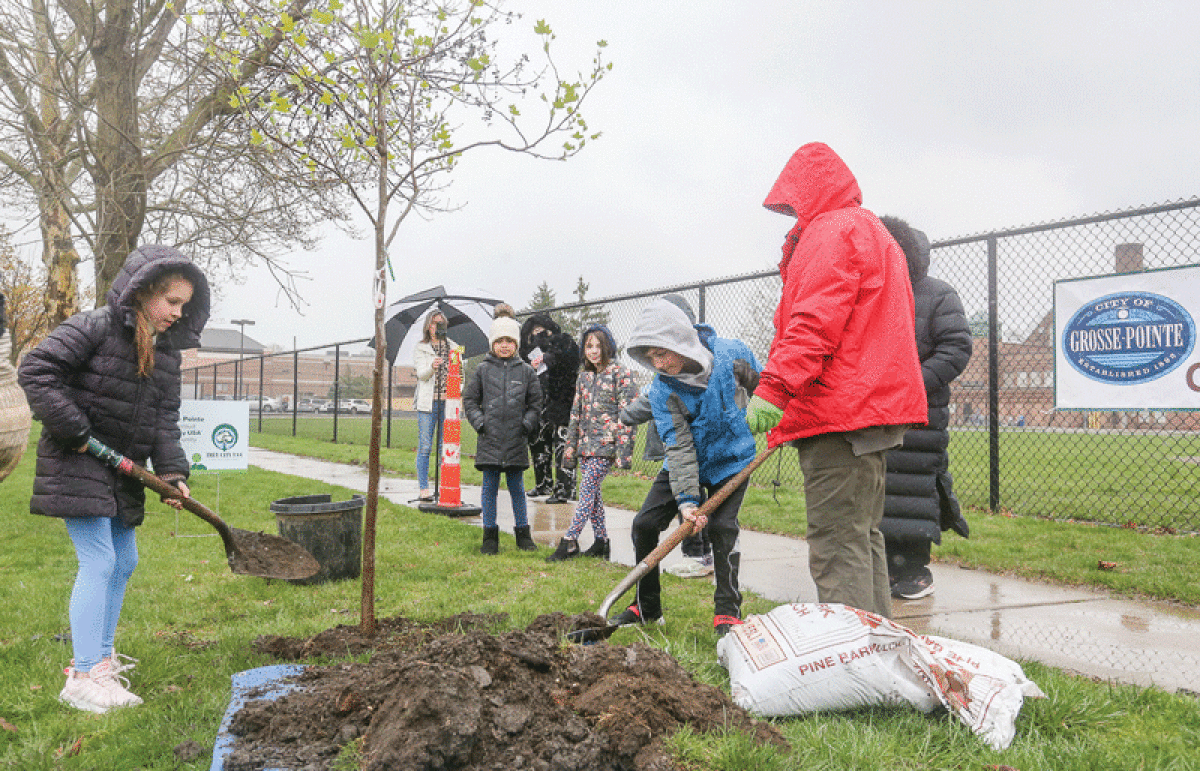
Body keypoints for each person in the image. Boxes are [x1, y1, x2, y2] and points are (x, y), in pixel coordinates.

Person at [18, 245, 209, 713]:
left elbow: (164, 416)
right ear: (142, 292)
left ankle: (102, 662)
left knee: (125, 561)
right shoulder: (94, 327)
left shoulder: (166, 355)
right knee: (100, 561)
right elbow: (36, 371)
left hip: (124, 468)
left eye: (184, 305)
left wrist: (172, 471)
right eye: (171, 301)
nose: (176, 312)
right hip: (78, 457)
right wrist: (75, 430)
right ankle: (82, 676)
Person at [754, 142, 927, 620]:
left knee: (836, 541)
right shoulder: (871, 232)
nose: (791, 214)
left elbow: (812, 324)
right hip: (868, 411)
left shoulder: (832, 234)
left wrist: (773, 390)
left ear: (806, 190)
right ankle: (877, 647)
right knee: (862, 535)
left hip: (839, 415)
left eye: (793, 203)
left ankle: (851, 657)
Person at [613, 298, 761, 637]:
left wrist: (775, 410)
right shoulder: (665, 388)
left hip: (731, 460)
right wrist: (686, 500)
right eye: (651, 358)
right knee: (644, 524)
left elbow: (765, 389)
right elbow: (678, 445)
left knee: (724, 530)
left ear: (679, 338)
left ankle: (727, 613)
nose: (660, 363)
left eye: (662, 352)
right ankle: (646, 607)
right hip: (683, 461)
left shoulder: (731, 355)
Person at [878, 216, 973, 600]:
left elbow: (957, 348)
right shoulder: (873, 292)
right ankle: (884, 566)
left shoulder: (938, 294)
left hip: (920, 412)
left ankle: (915, 569)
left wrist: (912, 382)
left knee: (915, 489)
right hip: (875, 409)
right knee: (881, 490)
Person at [546, 324, 638, 562]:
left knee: (586, 490)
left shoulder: (621, 373)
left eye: (599, 346)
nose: (594, 351)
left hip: (606, 446)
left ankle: (569, 540)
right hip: (586, 445)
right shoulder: (584, 376)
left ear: (608, 347)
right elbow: (575, 413)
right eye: (589, 346)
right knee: (593, 495)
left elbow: (629, 415)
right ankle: (601, 542)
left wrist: (623, 453)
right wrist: (570, 446)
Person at [463, 315, 542, 555]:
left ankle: (523, 534)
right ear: (492, 344)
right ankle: (489, 535)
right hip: (490, 441)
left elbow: (536, 403)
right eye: (500, 341)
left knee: (517, 488)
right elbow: (470, 400)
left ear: (516, 344)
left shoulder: (527, 372)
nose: (504, 345)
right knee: (489, 488)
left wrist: (526, 425)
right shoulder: (482, 370)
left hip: (517, 441)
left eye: (509, 340)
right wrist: (480, 423)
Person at [518, 313, 579, 503]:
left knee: (563, 445)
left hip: (561, 401)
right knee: (538, 445)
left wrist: (548, 357)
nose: (538, 335)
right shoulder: (526, 354)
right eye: (534, 332)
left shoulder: (563, 342)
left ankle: (565, 488)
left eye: (542, 331)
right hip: (537, 404)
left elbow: (569, 359)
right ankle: (543, 483)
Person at [412, 309, 450, 501]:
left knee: (446, 447)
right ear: (428, 325)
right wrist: (431, 367)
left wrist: (456, 388)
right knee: (426, 445)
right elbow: (420, 374)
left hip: (447, 402)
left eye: (440, 323)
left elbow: (460, 372)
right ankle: (424, 487)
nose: (437, 326)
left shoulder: (451, 346)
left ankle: (445, 485)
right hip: (428, 403)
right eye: (434, 323)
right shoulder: (421, 347)